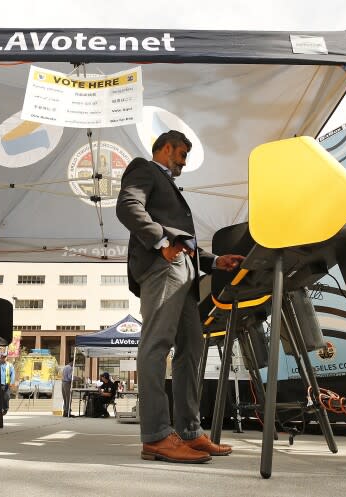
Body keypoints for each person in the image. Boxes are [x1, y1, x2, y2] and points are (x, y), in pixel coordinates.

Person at [116, 130, 245, 463]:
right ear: (167, 147)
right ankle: (157, 436)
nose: (184, 162)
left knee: (193, 348)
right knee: (156, 345)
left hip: (185, 273)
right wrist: (160, 242)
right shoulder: (143, 168)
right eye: (183, 154)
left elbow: (185, 246)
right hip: (163, 269)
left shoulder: (167, 184)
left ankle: (189, 432)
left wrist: (216, 262)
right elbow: (128, 206)